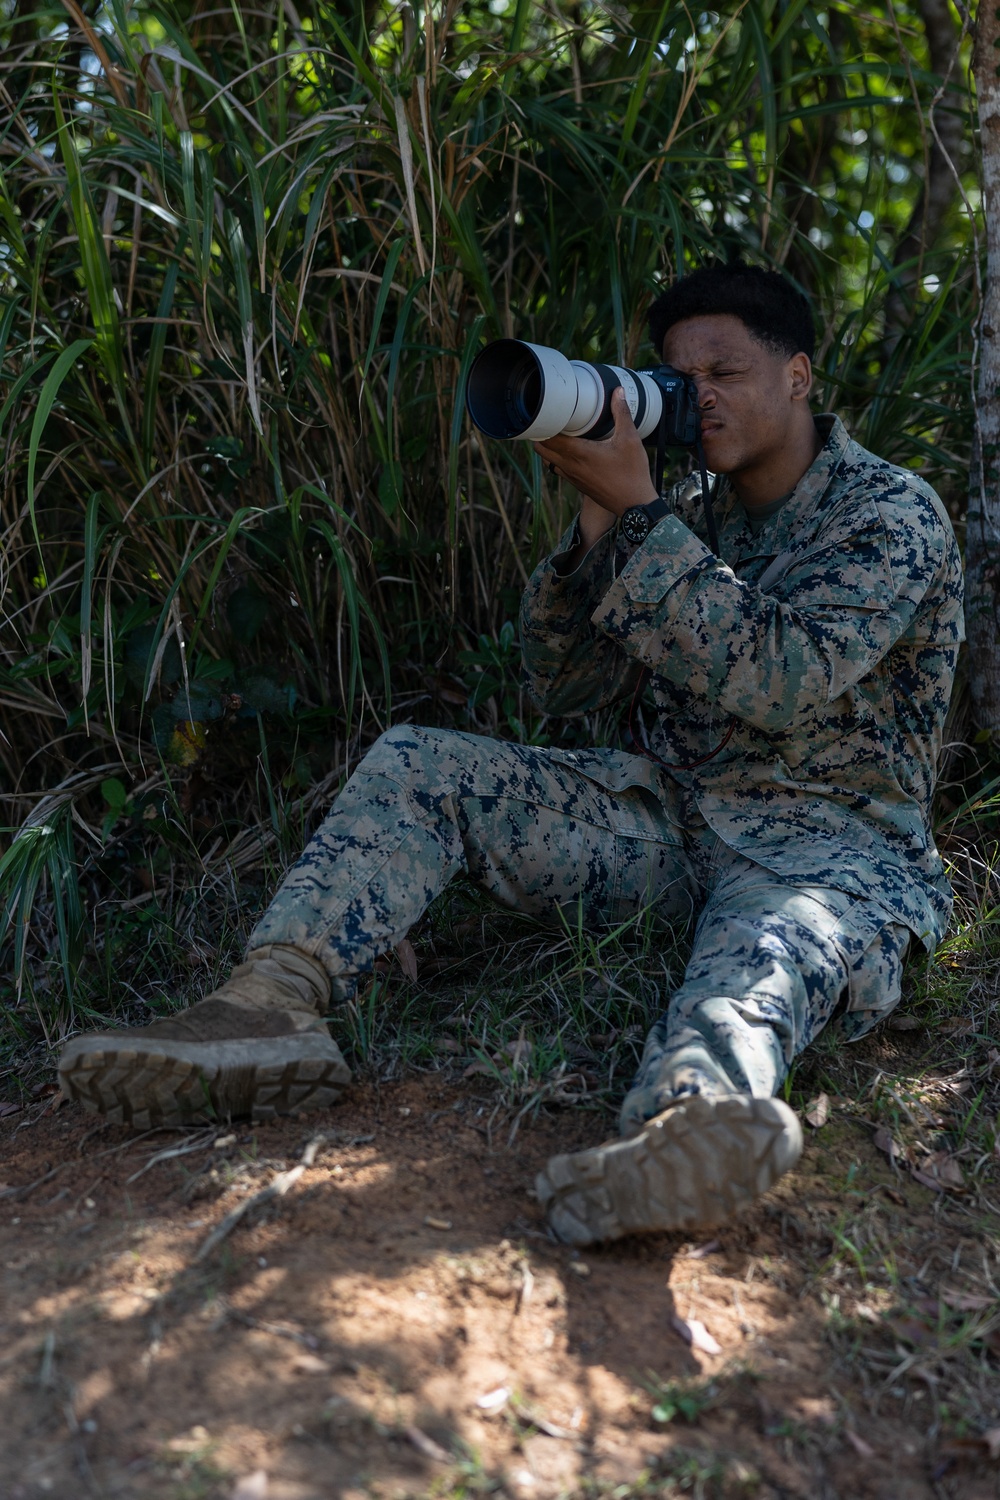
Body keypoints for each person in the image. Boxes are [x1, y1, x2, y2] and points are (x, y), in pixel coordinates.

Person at [58, 264, 964, 1247]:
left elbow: (785, 677)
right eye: (676, 373)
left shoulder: (888, 512)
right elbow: (568, 692)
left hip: (821, 847)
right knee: (421, 763)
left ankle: (685, 1130)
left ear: (797, 376)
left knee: (766, 955)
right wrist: (599, 530)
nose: (695, 393)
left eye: (726, 370)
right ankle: (266, 1007)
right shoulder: (690, 511)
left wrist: (645, 525)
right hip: (668, 818)